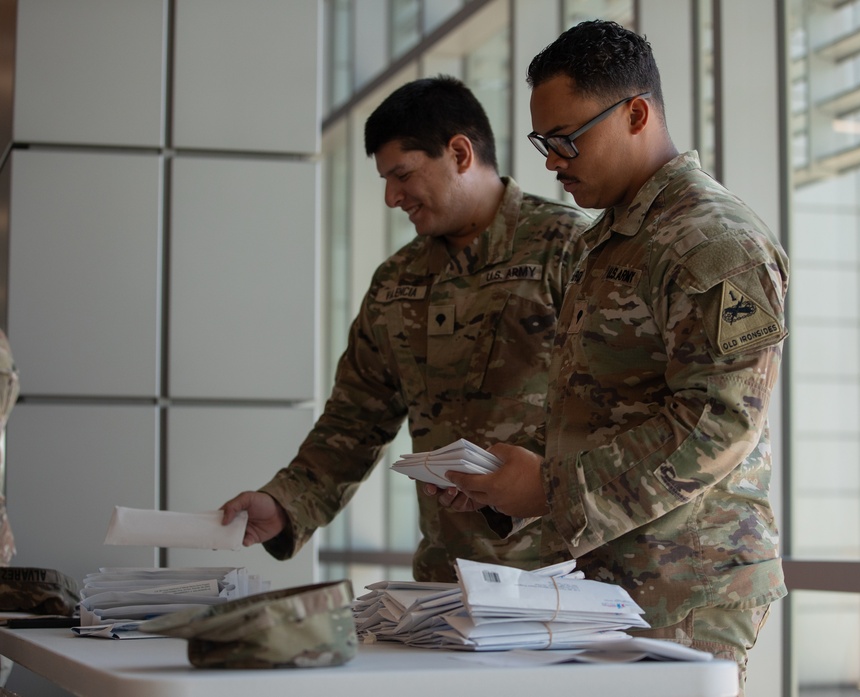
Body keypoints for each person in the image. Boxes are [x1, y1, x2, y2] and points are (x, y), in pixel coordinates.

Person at [447, 20, 788, 692]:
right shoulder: (604, 241)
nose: (552, 159)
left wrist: (551, 486)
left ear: (637, 113)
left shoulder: (714, 242)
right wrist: (505, 482)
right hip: (604, 580)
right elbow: (601, 411)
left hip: (683, 585)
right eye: (543, 142)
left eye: (568, 138)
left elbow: (718, 423)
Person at [221, 76, 590, 582]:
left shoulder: (569, 249)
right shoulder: (396, 281)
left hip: (564, 583)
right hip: (445, 585)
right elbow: (354, 420)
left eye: (402, 175)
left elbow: (622, 411)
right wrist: (284, 503)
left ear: (460, 152)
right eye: (385, 182)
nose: (394, 197)